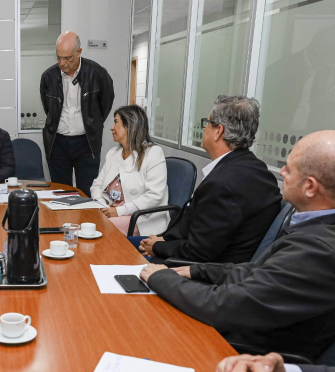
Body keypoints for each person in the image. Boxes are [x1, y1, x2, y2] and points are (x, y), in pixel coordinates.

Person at [140, 130, 335, 361]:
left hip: (245, 353)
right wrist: (196, 270)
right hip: (246, 331)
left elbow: (226, 306)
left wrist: (161, 278)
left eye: (290, 169)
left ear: (310, 187)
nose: (283, 172)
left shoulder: (321, 251)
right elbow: (258, 271)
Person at [138, 96, 282, 264]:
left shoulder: (223, 184)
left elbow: (198, 253)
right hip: (194, 252)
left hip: (194, 271)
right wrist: (162, 240)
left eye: (207, 123)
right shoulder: (257, 169)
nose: (204, 129)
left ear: (218, 131)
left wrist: (157, 247)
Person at [40, 31, 114, 197]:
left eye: (67, 58)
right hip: (57, 142)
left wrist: (92, 123)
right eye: (58, 57)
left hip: (87, 143)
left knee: (87, 192)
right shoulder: (48, 76)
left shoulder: (97, 73)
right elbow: (49, 109)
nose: (62, 63)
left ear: (79, 52)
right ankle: (64, 223)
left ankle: (86, 223)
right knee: (61, 193)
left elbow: (105, 104)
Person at [89, 105, 169, 236]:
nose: (111, 128)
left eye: (115, 122)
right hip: (111, 213)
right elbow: (96, 185)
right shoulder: (113, 153)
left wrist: (119, 211)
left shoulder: (153, 153)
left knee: (98, 228)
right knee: (84, 221)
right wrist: (103, 206)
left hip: (141, 218)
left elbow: (155, 196)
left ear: (129, 126)